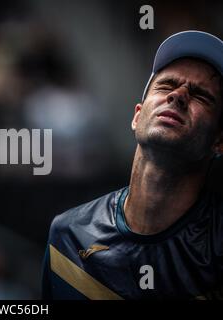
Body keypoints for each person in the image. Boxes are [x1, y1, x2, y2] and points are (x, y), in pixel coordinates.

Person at [42, 30, 223, 300]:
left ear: (219, 140)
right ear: (137, 116)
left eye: (200, 96)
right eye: (165, 85)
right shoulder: (68, 236)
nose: (178, 95)